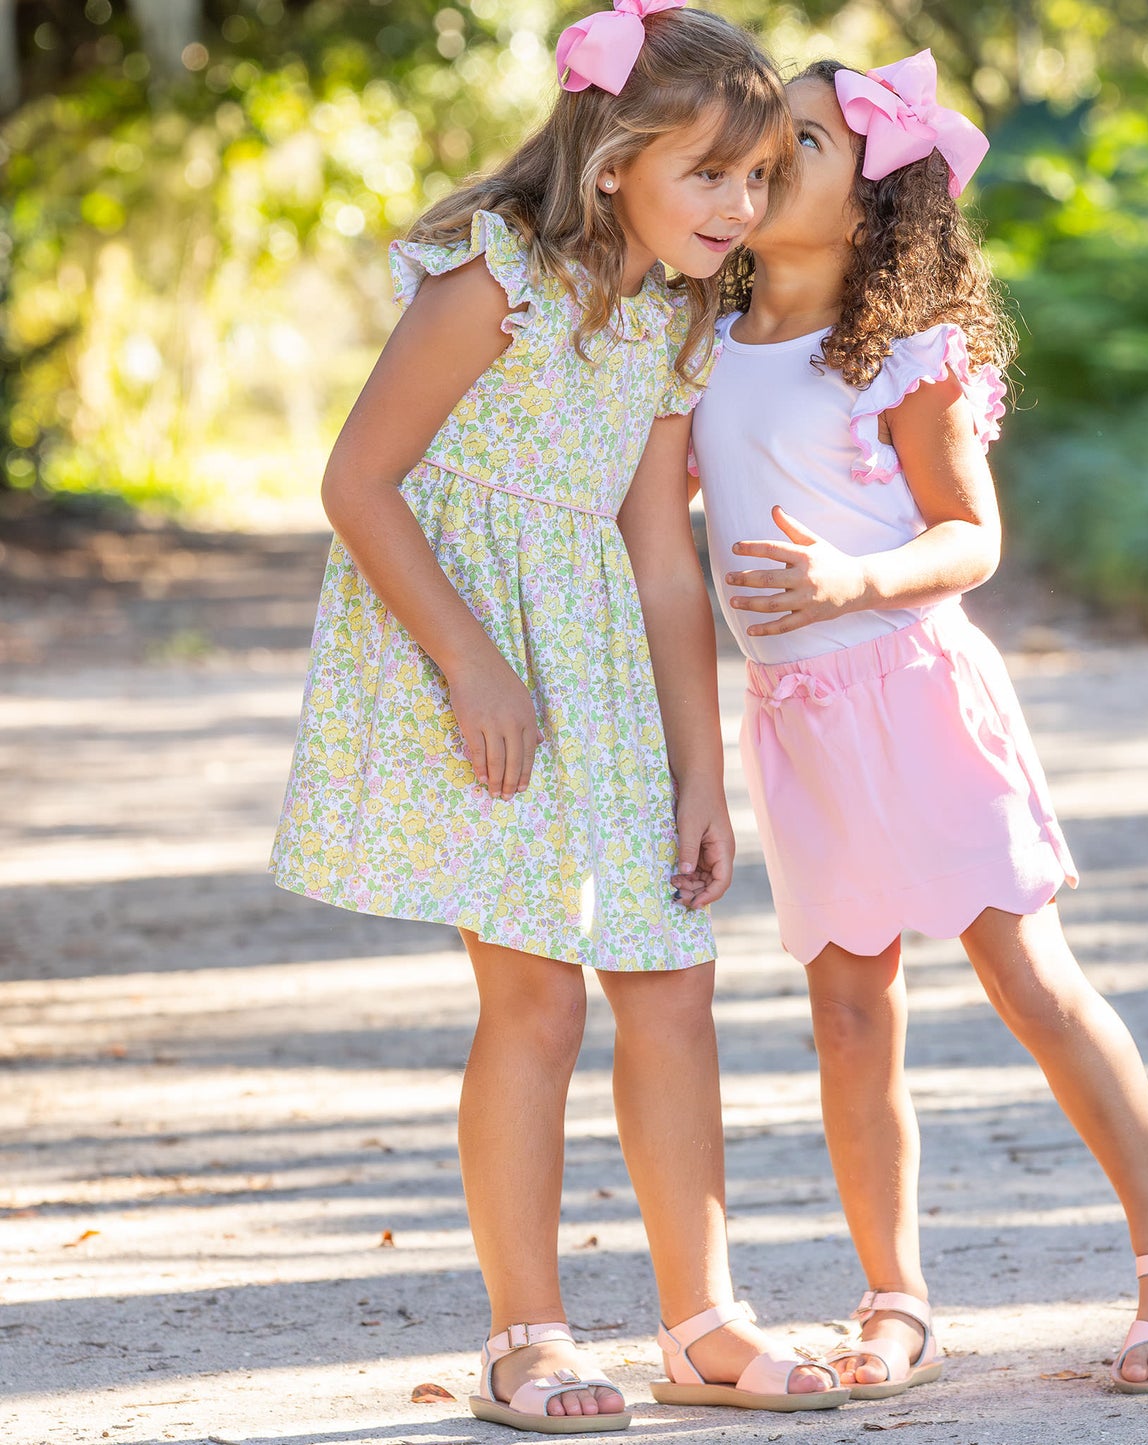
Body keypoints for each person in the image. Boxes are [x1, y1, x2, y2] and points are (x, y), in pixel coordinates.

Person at [270, 3, 846, 1431]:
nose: (744, 203)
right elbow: (358, 481)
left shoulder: (671, 322)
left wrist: (699, 773)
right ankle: (527, 1333)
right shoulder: (492, 280)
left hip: (593, 672)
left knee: (673, 983)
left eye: (762, 175)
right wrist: (472, 663)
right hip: (470, 659)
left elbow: (662, 555)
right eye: (711, 173)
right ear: (613, 163)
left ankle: (701, 1319)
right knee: (534, 994)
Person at [691, 50, 1148, 1399]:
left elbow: (970, 537)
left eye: (798, 142)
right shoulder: (693, 346)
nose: (765, 160)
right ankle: (894, 1296)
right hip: (797, 720)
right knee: (848, 1014)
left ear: (872, 208)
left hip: (914, 691)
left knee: (1028, 979)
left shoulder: (903, 357)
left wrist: (853, 580)